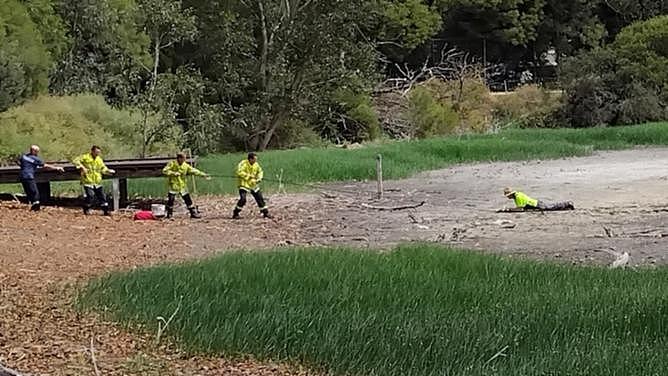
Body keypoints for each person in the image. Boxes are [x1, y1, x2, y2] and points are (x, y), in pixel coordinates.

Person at [162, 152, 210, 219]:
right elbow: (164, 171)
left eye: (184, 159)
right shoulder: (172, 163)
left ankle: (193, 213)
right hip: (174, 185)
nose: (184, 160)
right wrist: (173, 173)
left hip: (182, 185)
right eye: (183, 159)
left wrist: (203, 174)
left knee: (187, 199)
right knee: (171, 200)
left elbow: (193, 170)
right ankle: (169, 214)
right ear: (179, 158)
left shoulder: (185, 165)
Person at [19, 145, 65, 211]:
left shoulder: (23, 157)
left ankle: (32, 205)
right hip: (29, 176)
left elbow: (21, 162)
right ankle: (36, 206)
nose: (37, 153)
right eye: (37, 151)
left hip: (22, 176)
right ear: (34, 151)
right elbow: (45, 166)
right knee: (35, 192)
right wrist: (57, 168)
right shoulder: (35, 159)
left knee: (28, 191)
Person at [73, 145, 116, 215]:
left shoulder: (99, 159)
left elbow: (103, 168)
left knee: (102, 196)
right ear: (92, 151)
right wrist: (82, 167)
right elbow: (75, 161)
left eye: (98, 153)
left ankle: (106, 211)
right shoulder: (86, 157)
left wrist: (108, 171)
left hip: (97, 181)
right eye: (96, 152)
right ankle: (87, 208)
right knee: (90, 195)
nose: (97, 154)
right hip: (88, 180)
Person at [233, 152, 271, 219]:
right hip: (244, 184)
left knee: (260, 198)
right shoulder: (243, 163)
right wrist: (248, 176)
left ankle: (265, 213)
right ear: (250, 159)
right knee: (243, 199)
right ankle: (236, 213)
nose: (255, 161)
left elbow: (260, 171)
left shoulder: (256, 164)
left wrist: (259, 178)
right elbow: (239, 172)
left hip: (253, 184)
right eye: (254, 159)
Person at [502, 187, 574, 211]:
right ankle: (567, 205)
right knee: (551, 206)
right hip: (535, 203)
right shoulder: (517, 195)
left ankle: (567, 203)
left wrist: (509, 209)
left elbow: (520, 208)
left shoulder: (518, 197)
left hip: (537, 204)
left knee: (551, 207)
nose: (508, 197)